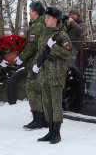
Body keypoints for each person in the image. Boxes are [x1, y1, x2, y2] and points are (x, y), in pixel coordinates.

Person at [32, 7, 73, 144]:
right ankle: (50, 131)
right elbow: (41, 51)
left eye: (48, 17)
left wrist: (53, 47)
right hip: (44, 74)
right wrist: (36, 66)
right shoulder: (44, 32)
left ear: (55, 19)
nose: (46, 19)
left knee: (56, 104)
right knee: (46, 104)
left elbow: (69, 54)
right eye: (46, 17)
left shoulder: (62, 35)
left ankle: (57, 133)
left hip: (56, 75)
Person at [13, 0, 48, 129]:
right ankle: (44, 119)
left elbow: (32, 45)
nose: (29, 12)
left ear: (36, 12)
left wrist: (21, 57)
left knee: (31, 89)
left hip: (35, 61)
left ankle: (37, 120)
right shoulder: (42, 23)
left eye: (31, 10)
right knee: (40, 89)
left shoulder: (38, 26)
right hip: (41, 61)